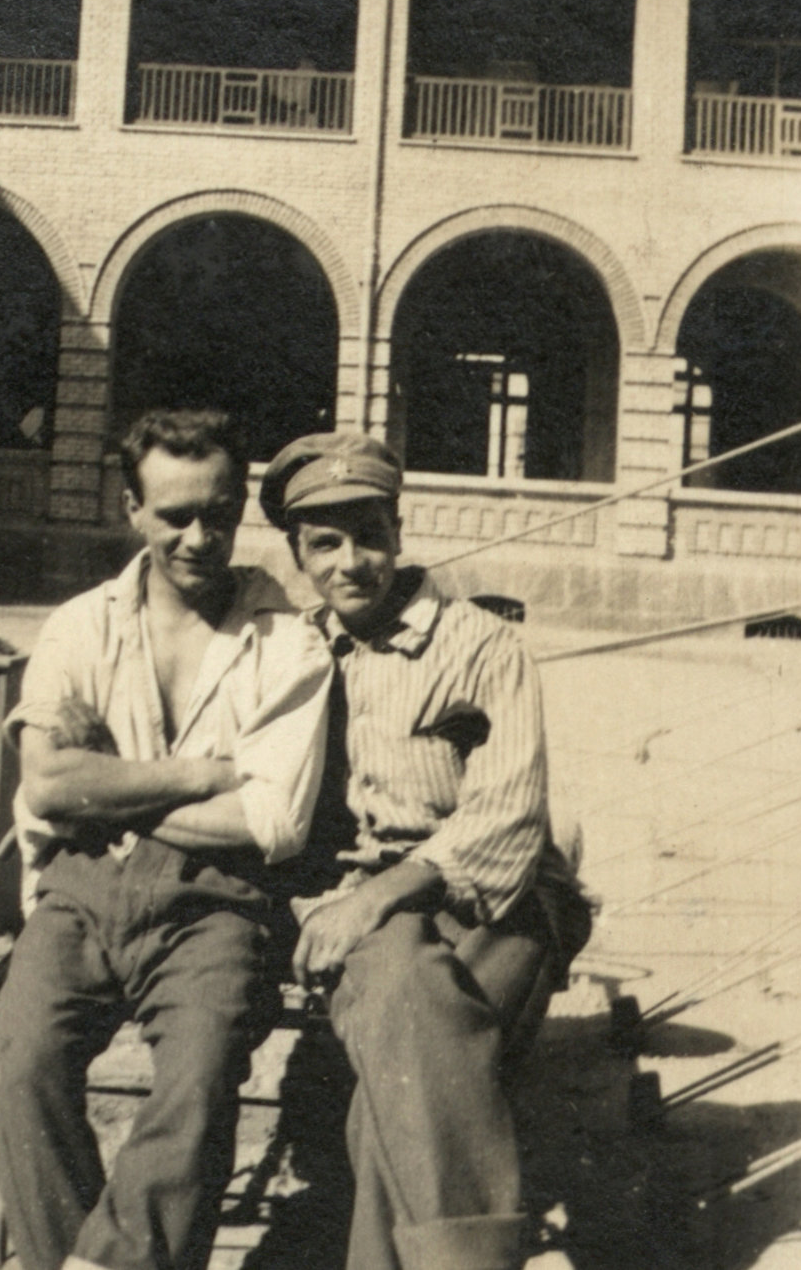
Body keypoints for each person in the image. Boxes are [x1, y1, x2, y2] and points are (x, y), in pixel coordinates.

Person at [0, 409, 332, 1270]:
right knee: (25, 1060)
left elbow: (273, 820)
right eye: (175, 515)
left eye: (218, 512)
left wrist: (111, 786)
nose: (199, 537)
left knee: (201, 1076)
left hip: (220, 903)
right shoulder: (78, 625)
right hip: (79, 890)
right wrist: (200, 774)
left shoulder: (286, 639)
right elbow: (48, 783)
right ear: (131, 509)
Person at [259, 430, 592, 1270]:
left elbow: (510, 816)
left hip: (499, 900)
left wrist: (377, 897)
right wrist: (356, 903)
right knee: (408, 1055)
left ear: (399, 531)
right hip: (364, 914)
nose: (352, 562)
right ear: (297, 554)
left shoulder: (485, 646)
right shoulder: (289, 656)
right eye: (324, 543)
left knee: (405, 1060)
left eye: (369, 533)